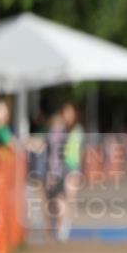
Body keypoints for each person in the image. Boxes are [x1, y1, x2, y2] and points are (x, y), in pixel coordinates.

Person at [45, 102, 85, 242]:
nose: (67, 115)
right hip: (60, 168)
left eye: (70, 112)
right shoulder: (59, 130)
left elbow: (81, 151)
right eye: (65, 112)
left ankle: (64, 224)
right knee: (59, 198)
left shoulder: (77, 130)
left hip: (73, 168)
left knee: (69, 197)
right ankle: (60, 224)